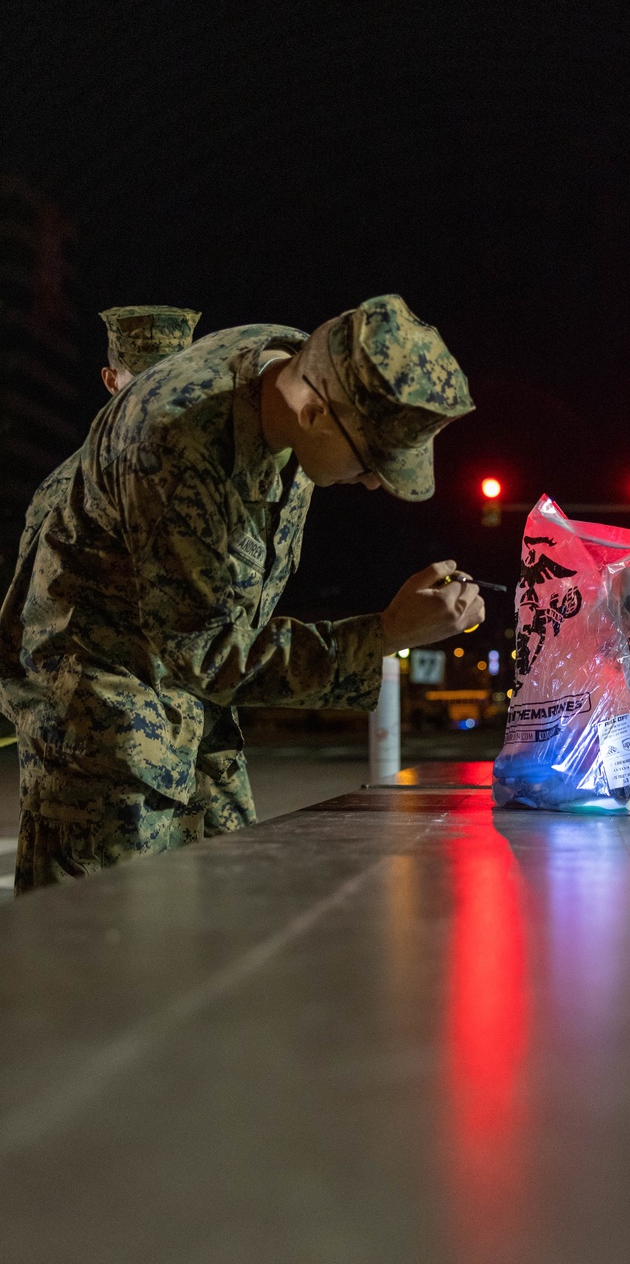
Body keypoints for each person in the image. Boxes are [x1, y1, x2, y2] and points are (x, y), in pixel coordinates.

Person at [1, 294, 483, 891]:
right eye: (369, 462)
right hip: (102, 708)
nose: (372, 483)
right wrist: (385, 633)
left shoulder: (287, 365)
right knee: (104, 941)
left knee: (229, 905)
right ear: (311, 411)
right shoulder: (177, 442)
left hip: (191, 696)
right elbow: (207, 651)